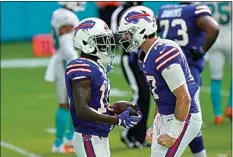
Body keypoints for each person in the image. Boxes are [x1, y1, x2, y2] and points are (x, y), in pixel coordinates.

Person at [118, 6, 203, 156]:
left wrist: (172, 133)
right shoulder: (145, 54)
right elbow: (160, 95)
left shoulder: (164, 52)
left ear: (141, 30)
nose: (125, 38)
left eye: (128, 33)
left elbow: (184, 97)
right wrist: (156, 123)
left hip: (184, 116)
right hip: (167, 115)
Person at [65, 17, 142, 157]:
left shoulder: (95, 65)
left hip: (98, 134)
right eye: (100, 40)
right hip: (88, 135)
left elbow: (93, 104)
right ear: (85, 41)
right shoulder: (81, 66)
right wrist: (117, 120)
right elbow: (82, 110)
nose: (105, 44)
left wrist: (110, 110)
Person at [157, 2, 219, 156]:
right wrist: (201, 50)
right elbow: (214, 28)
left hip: (165, 69)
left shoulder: (165, 10)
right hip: (188, 69)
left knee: (177, 116)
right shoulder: (196, 10)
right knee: (189, 117)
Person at [44, 2, 86, 153]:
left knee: (73, 102)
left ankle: (69, 139)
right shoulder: (65, 16)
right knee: (65, 104)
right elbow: (67, 44)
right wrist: (78, 63)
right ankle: (58, 143)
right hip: (65, 63)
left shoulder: (60, 14)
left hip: (63, 61)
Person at [111, 2, 151, 148]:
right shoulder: (120, 12)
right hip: (130, 57)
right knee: (139, 93)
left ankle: (140, 137)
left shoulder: (144, 10)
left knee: (146, 95)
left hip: (144, 57)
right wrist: (131, 35)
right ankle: (127, 132)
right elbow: (115, 36)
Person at [204, 2, 232, 123]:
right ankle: (230, 106)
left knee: (216, 78)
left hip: (213, 39)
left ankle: (218, 114)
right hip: (230, 36)